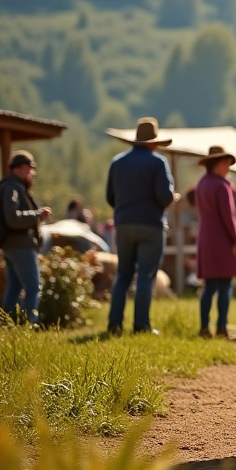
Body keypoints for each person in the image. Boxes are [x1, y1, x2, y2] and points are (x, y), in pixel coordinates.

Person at [106, 117, 176, 336]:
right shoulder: (158, 163)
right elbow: (164, 197)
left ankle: (114, 325)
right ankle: (141, 326)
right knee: (146, 275)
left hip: (123, 223)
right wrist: (173, 197)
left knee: (123, 274)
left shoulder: (117, 162)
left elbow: (110, 197)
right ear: (154, 141)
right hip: (150, 225)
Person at [194, 146, 236, 341]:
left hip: (207, 239)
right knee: (225, 285)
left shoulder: (202, 184)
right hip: (223, 240)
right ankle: (221, 328)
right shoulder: (222, 186)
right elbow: (228, 217)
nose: (228, 166)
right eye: (225, 162)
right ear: (217, 163)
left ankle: (203, 328)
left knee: (209, 286)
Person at [0, 151, 52, 324]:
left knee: (14, 287)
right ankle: (28, 326)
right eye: (30, 168)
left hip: (12, 245)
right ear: (21, 168)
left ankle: (7, 325)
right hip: (21, 245)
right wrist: (37, 215)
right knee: (33, 287)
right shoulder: (12, 188)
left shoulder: (10, 186)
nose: (32, 172)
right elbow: (13, 217)